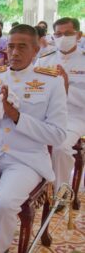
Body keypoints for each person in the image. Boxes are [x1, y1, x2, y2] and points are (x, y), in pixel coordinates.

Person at [0, 24, 67, 253]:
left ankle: (0, 249)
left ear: (36, 50)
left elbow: (58, 135)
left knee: (4, 203)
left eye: (22, 47)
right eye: (11, 47)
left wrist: (17, 117)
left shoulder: (51, 82)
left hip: (26, 159)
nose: (15, 52)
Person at [36, 17, 84, 194]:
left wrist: (66, 87)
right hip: (45, 114)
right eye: (58, 34)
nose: (62, 38)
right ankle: (31, 182)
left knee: (61, 147)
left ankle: (60, 192)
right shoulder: (44, 60)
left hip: (74, 116)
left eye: (68, 34)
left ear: (78, 35)